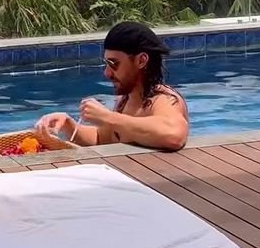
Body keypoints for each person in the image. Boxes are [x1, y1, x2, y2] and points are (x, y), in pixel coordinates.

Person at [37, 21, 189, 151]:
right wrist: (69, 126)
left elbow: (174, 135)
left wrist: (108, 117)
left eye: (114, 64)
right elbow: (101, 138)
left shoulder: (163, 99)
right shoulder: (125, 99)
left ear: (141, 61)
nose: (107, 73)